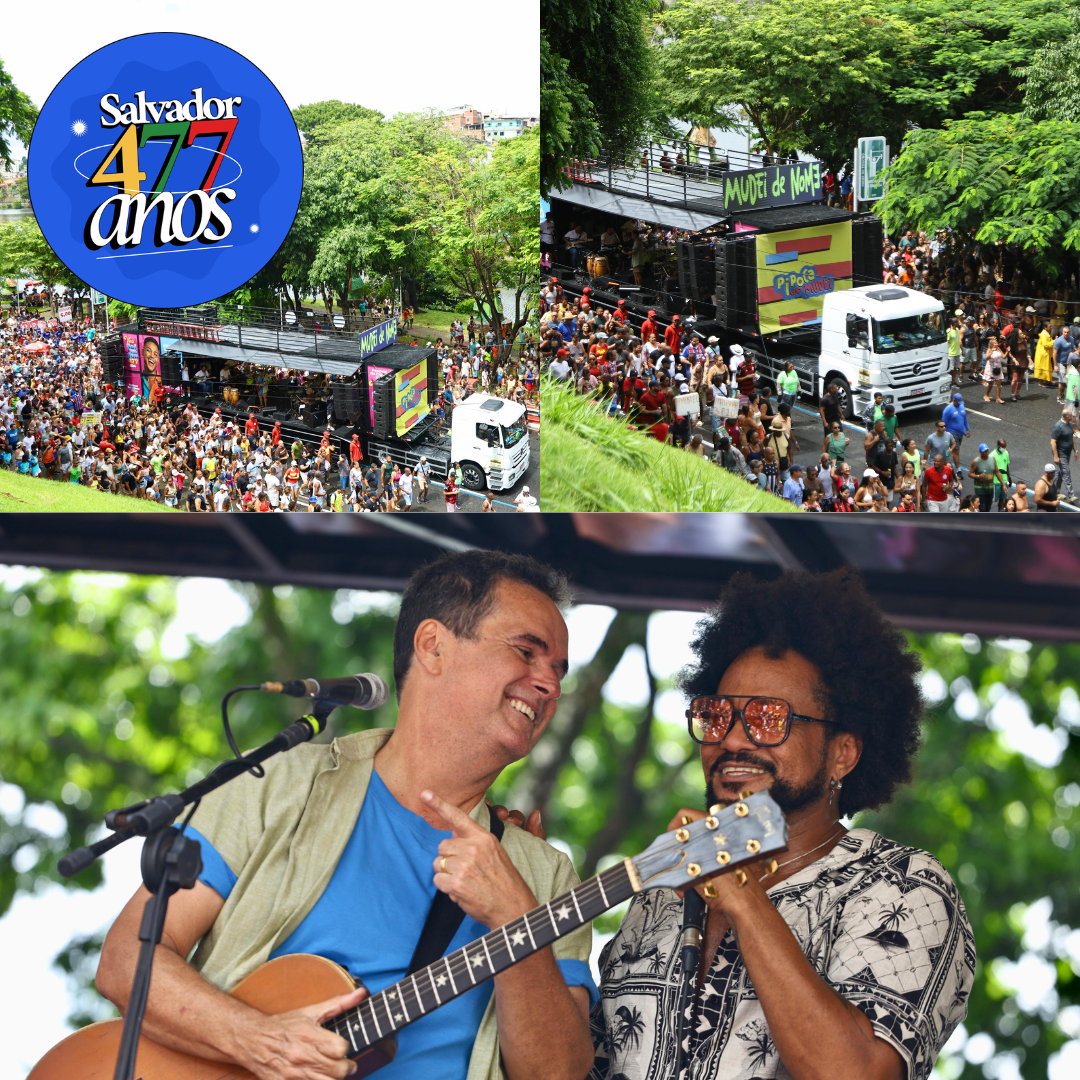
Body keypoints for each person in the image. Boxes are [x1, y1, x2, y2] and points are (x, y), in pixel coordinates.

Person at [96, 552, 597, 1080]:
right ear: (433, 646)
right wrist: (258, 1041)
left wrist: (513, 917)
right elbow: (128, 959)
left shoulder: (546, 878)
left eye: (559, 672)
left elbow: (558, 1074)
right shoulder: (279, 785)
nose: (550, 686)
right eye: (526, 652)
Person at [591, 569, 974, 1080]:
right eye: (718, 715)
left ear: (843, 754)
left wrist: (742, 894)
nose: (731, 740)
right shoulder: (660, 893)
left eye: (769, 718)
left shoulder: (905, 887)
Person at [1050, 408, 1079, 504]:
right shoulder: (1058, 426)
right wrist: (1056, 456)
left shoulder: (1070, 424)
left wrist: (1075, 450)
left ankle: (1055, 491)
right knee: (1066, 472)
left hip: (1068, 452)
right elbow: (1053, 442)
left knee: (1060, 472)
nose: (1072, 416)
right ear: (1067, 416)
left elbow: (1072, 438)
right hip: (1060, 453)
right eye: (1071, 415)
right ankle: (1071, 495)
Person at [968, 443, 1004, 514]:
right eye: (984, 451)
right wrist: (978, 476)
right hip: (980, 490)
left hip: (990, 489)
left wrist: (1003, 484)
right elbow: (970, 474)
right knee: (982, 509)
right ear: (980, 452)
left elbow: (997, 472)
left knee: (988, 508)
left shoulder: (992, 459)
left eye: (987, 450)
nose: (986, 452)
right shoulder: (976, 461)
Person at [941, 393, 969, 458]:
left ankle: (945, 459)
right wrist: (944, 435)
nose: (959, 404)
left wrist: (968, 429)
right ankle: (957, 467)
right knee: (956, 451)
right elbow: (943, 424)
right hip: (952, 432)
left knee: (951, 450)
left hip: (960, 433)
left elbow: (964, 417)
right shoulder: (948, 409)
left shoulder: (961, 406)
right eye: (958, 402)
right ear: (954, 400)